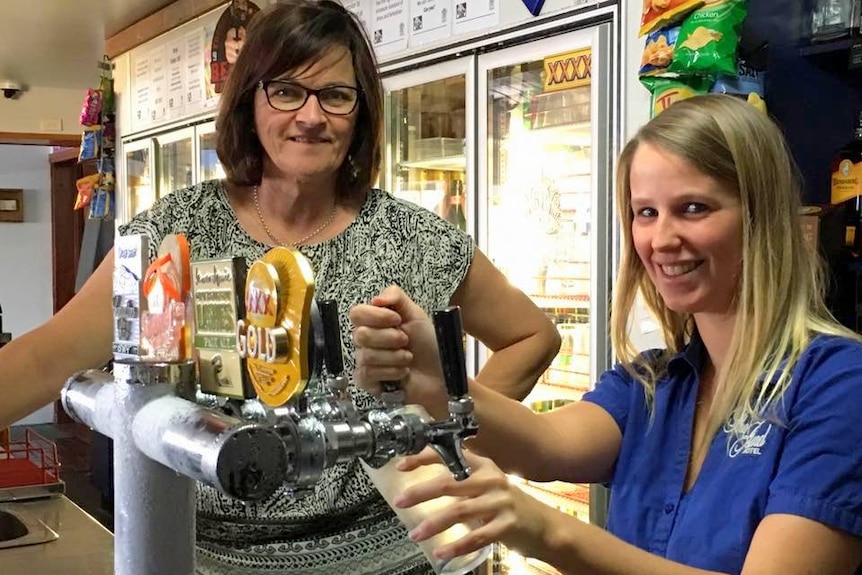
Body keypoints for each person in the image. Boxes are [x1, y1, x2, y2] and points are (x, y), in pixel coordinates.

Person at [0, 2, 560, 574]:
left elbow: (531, 336)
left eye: (336, 95)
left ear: (361, 112)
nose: (312, 116)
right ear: (250, 101)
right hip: (210, 562)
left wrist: (451, 440)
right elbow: (46, 357)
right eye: (288, 91)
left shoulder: (413, 237)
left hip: (392, 563)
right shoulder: (177, 234)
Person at [351, 94, 862, 575]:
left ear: (760, 217)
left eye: (693, 208)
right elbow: (543, 443)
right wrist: (430, 376)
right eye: (646, 212)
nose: (661, 239)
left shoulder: (838, 385)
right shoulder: (656, 381)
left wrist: (549, 531)